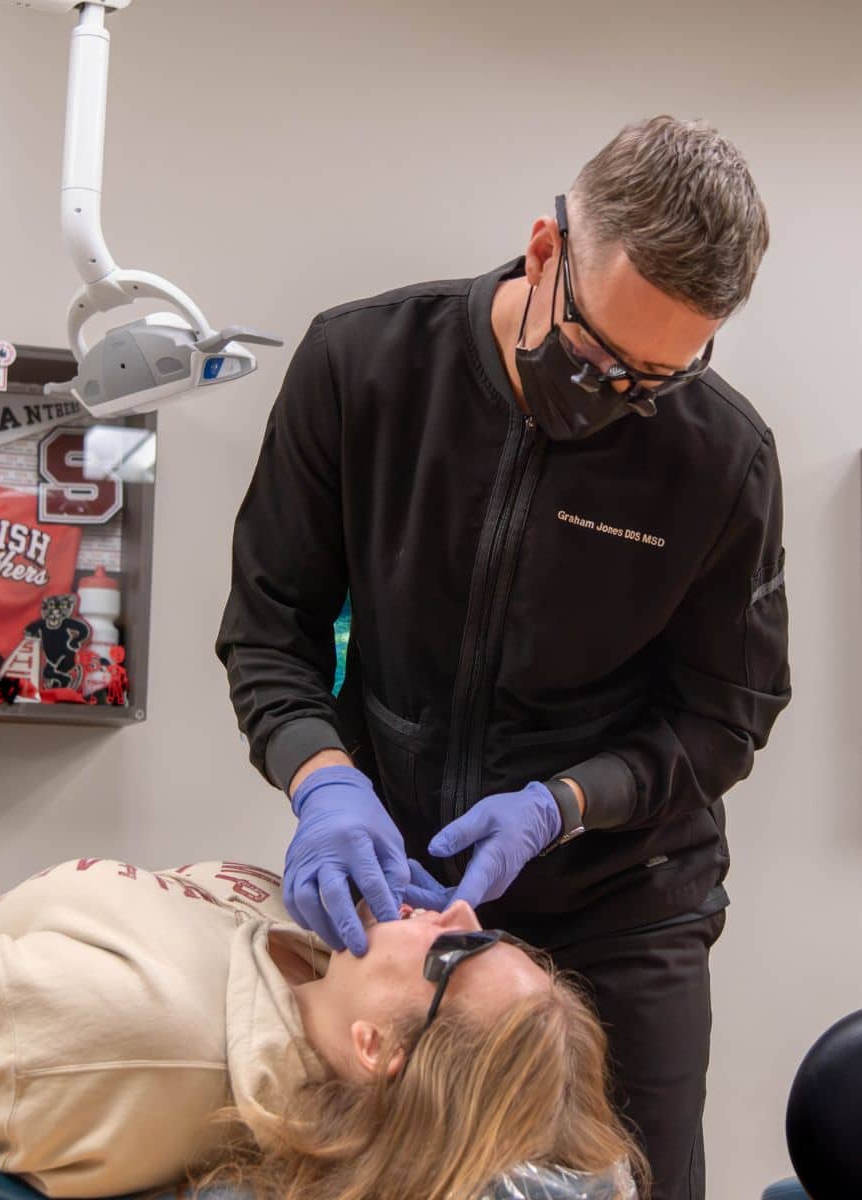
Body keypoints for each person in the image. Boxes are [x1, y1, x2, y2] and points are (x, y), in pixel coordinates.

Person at [216, 115, 791, 1198]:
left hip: (626, 897)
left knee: (639, 1183)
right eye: (598, 357)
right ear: (545, 252)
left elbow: (726, 717)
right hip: (401, 883)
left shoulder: (721, 459)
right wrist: (325, 784)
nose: (620, 397)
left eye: (657, 378)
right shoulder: (366, 368)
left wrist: (563, 803)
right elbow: (268, 631)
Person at [0, 862, 646, 1200]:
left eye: (455, 951)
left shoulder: (136, 1032)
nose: (459, 907)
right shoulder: (321, 955)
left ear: (374, 1047)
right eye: (487, 932)